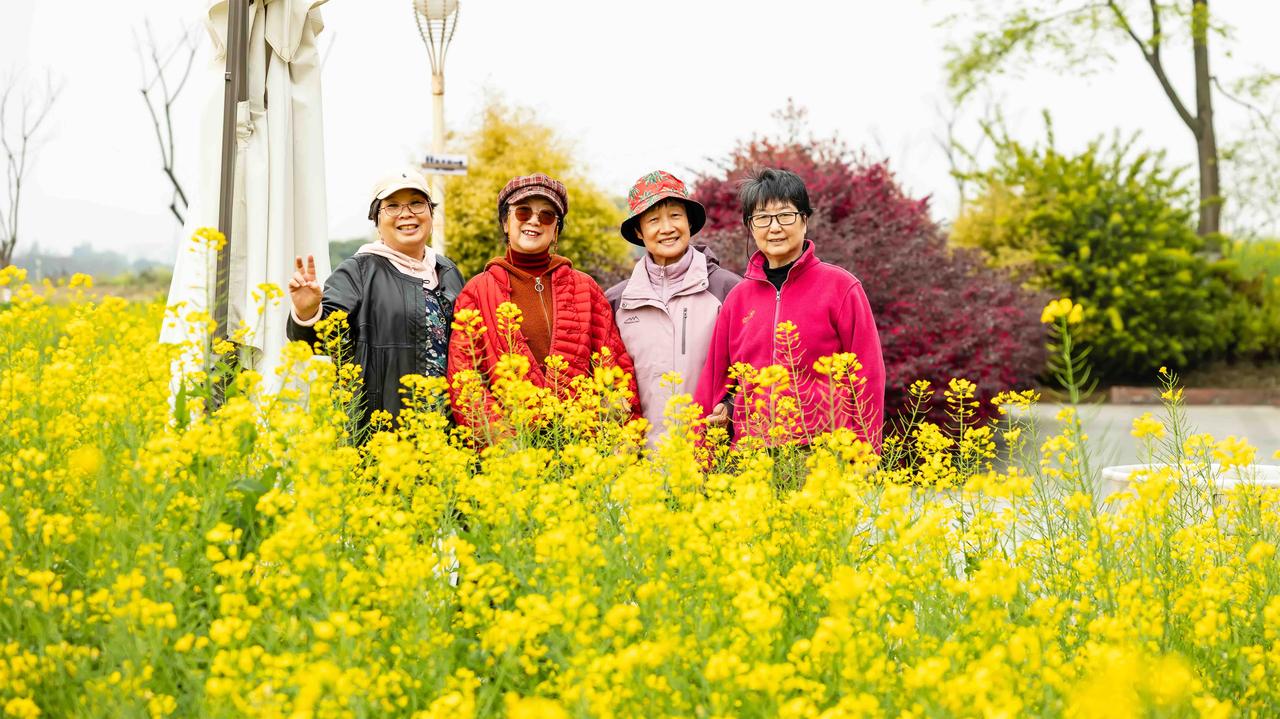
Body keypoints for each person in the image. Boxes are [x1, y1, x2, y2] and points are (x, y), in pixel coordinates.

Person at [693, 167, 886, 447]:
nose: (774, 228)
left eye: (785, 215)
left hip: (824, 453)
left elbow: (868, 375)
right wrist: (702, 455)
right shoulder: (738, 299)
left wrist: (865, 451)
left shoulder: (841, 287)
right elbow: (715, 380)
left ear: (804, 220)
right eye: (762, 218)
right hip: (752, 455)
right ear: (750, 227)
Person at [446, 173, 641, 430]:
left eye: (547, 215)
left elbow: (615, 365)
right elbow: (464, 377)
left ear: (556, 229)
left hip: (581, 441)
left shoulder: (585, 288)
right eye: (523, 212)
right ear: (505, 222)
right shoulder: (477, 291)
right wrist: (503, 439)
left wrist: (621, 431)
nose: (534, 221)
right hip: (510, 445)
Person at [288, 169, 464, 429]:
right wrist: (308, 312)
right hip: (382, 432)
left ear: (430, 213)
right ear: (377, 221)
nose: (406, 213)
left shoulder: (447, 270)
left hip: (445, 432)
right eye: (392, 206)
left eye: (417, 203)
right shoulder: (358, 271)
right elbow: (320, 340)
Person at [605, 170, 741, 445]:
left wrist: (730, 407)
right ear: (639, 231)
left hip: (712, 458)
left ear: (689, 222)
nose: (667, 228)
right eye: (653, 220)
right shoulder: (617, 301)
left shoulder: (728, 289)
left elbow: (754, 368)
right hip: (642, 461)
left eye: (675, 216)